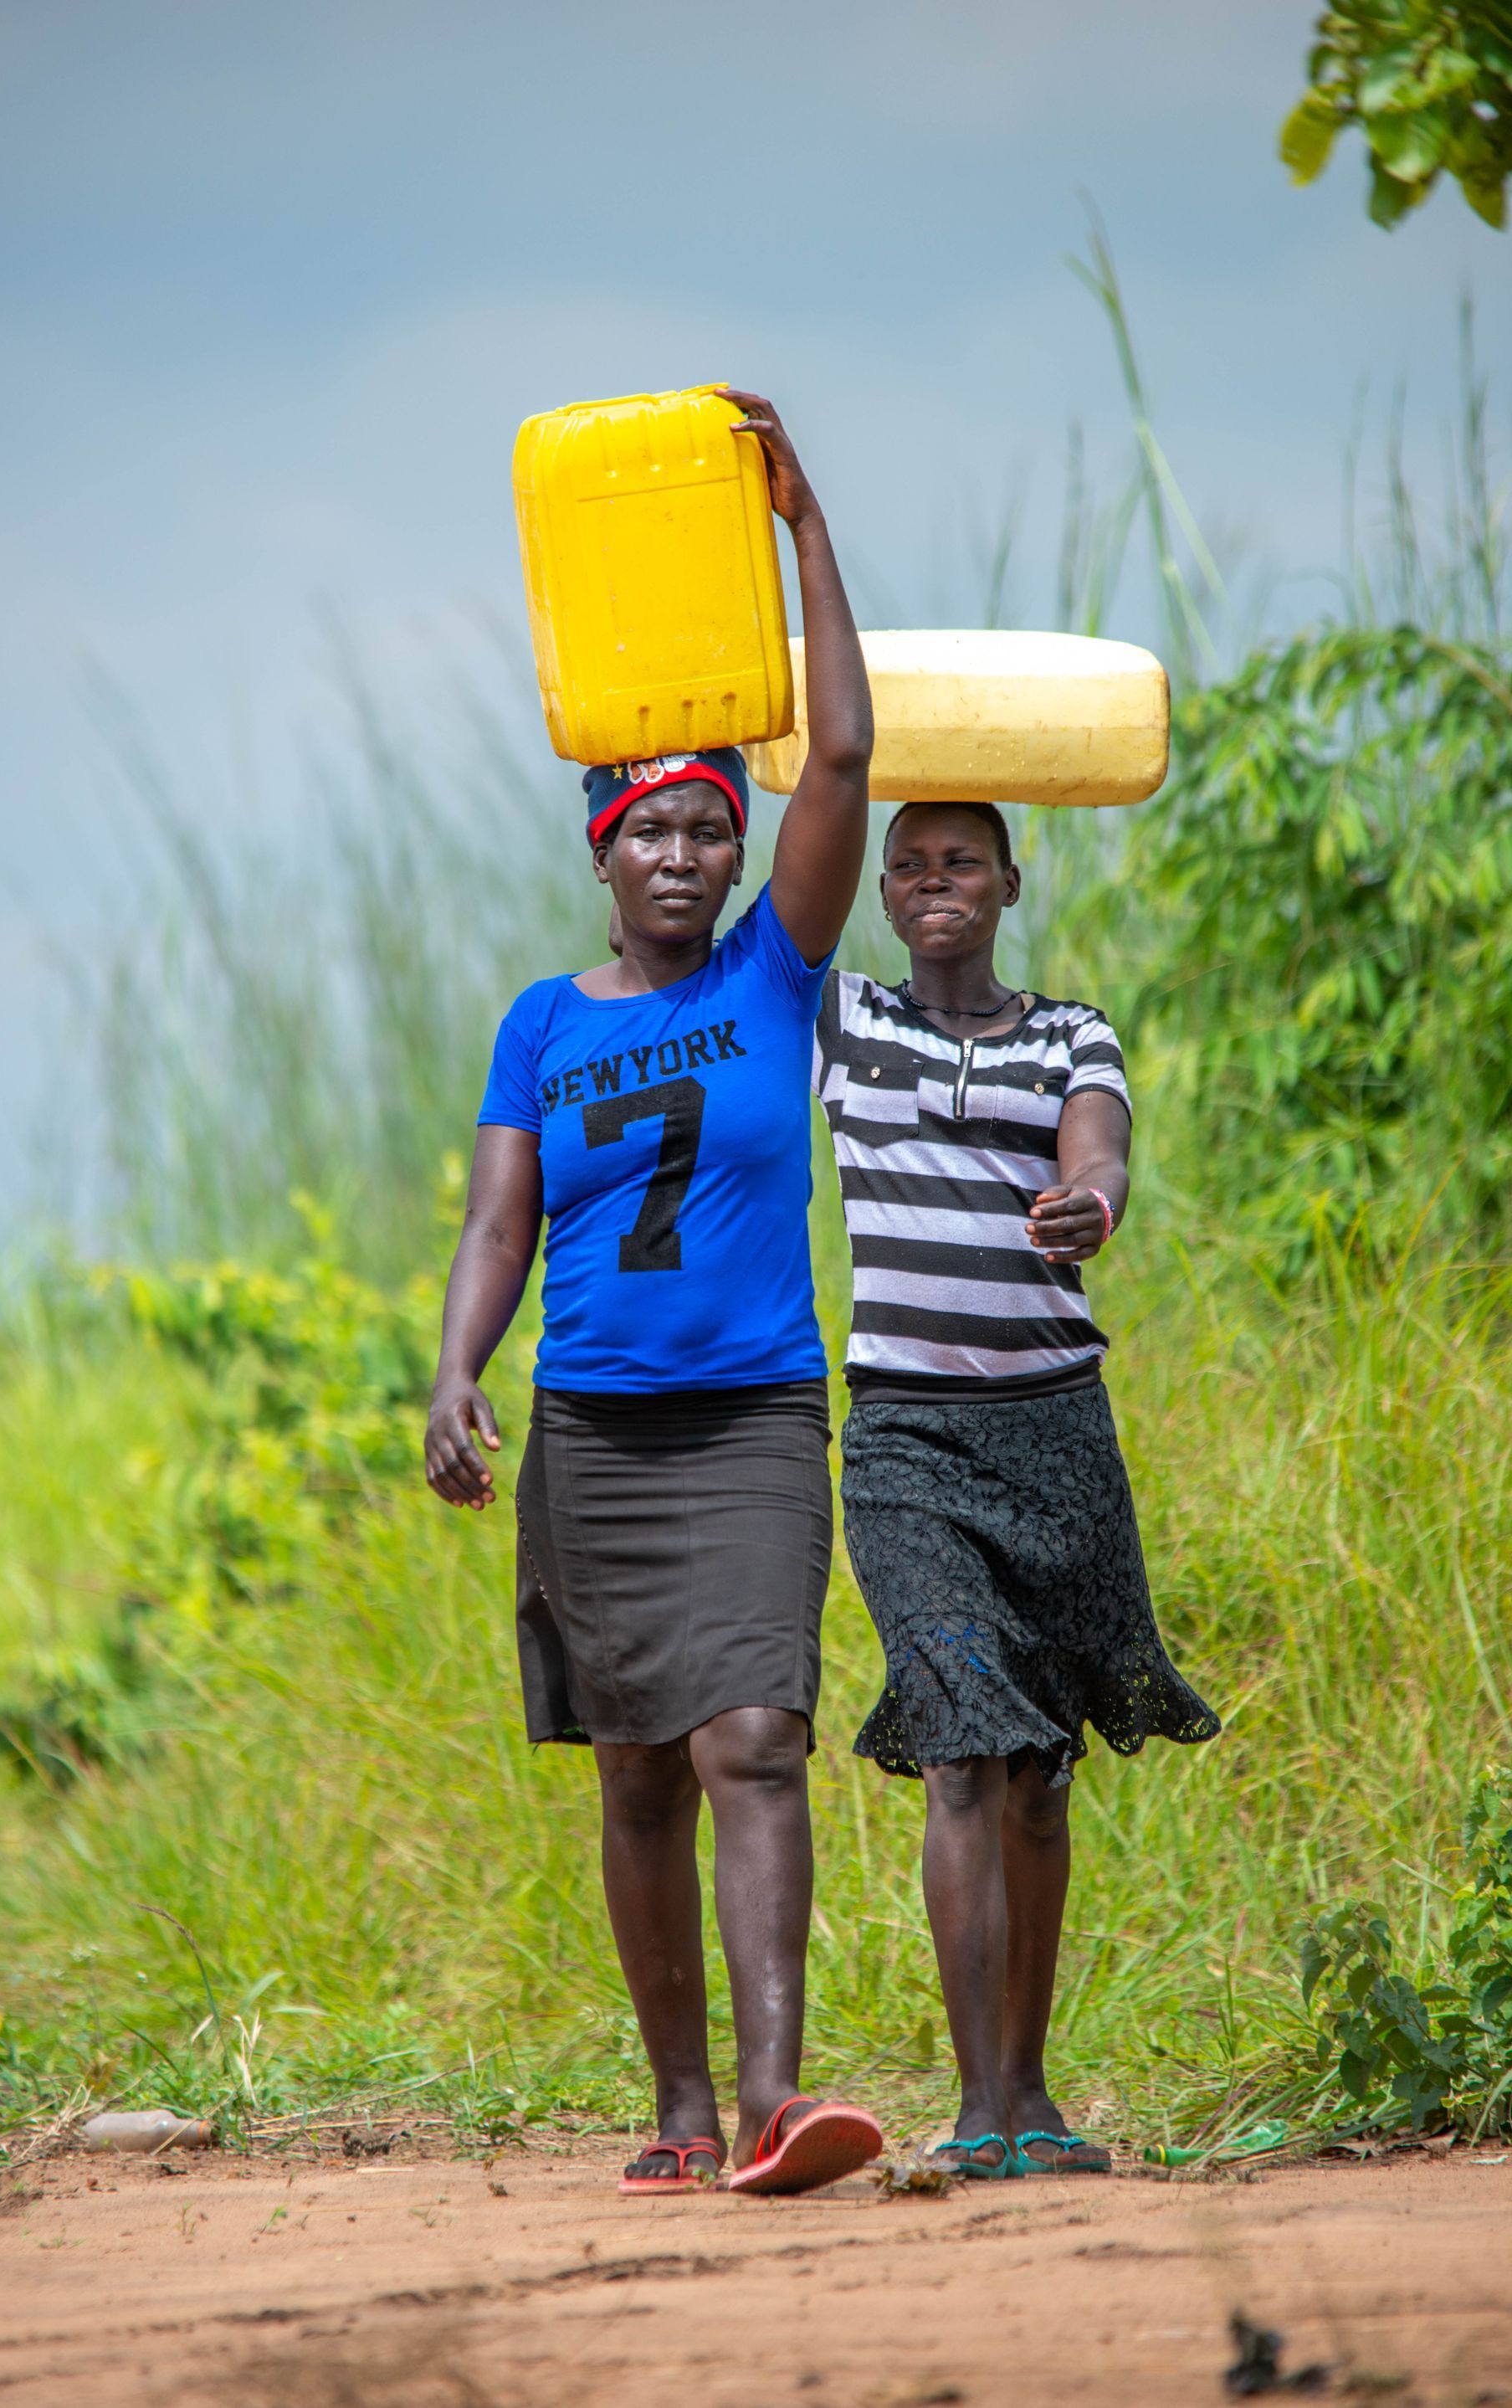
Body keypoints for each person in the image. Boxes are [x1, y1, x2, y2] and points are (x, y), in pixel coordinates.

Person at [425, 391, 883, 2198]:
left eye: (710, 827)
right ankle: (682, 2105)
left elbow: (837, 760)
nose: (689, 855)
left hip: (757, 1414)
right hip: (595, 1429)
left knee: (754, 1734)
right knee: (639, 1777)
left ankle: (779, 2104)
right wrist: (456, 1371)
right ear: (602, 852)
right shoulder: (544, 1022)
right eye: (656, 833)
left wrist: (803, 524)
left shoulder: (780, 970)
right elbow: (496, 1227)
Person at [812, 798, 1220, 2178]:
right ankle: (979, 2104)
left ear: (1010, 882)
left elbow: (1100, 1146)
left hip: (1058, 1438)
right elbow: (800, 852)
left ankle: (1032, 2091)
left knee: (1042, 1775)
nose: (938, 885)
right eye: (913, 866)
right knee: (963, 1743)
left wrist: (1088, 1203)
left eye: (963, 864)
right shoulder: (843, 1021)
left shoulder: (1068, 1032)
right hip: (907, 1444)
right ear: (882, 889)